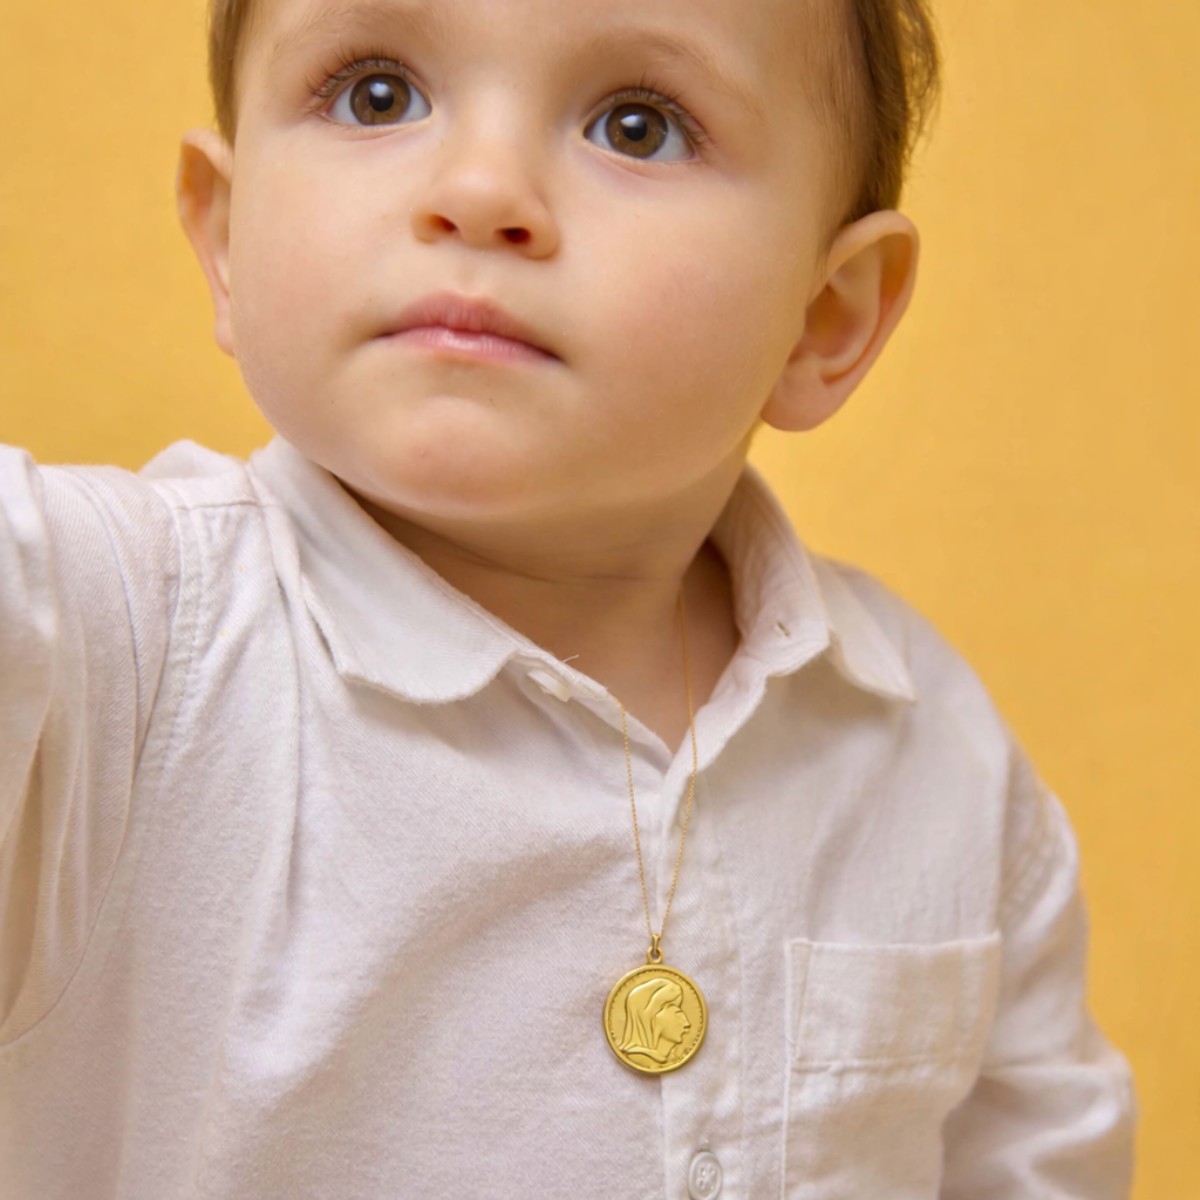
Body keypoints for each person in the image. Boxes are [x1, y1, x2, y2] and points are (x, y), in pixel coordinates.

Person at [0, 0, 1137, 1195]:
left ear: (825, 318)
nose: (480, 188)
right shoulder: (111, 641)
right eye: (375, 93)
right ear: (227, 238)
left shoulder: (929, 752)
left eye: (637, 126)